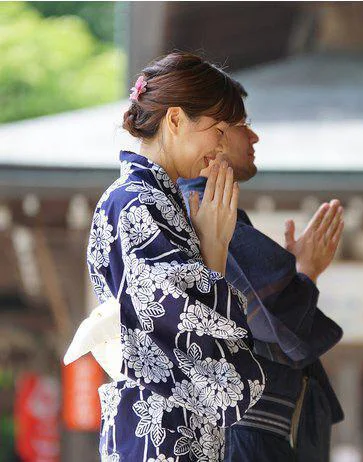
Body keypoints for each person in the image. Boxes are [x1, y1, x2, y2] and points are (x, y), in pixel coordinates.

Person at [84, 52, 266, 462]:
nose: (222, 146)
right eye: (218, 130)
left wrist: (210, 250)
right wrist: (214, 248)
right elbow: (177, 326)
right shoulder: (136, 202)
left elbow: (187, 314)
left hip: (170, 427)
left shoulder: (152, 200)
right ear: (176, 120)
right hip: (158, 431)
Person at [178, 91, 345, 461]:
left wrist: (296, 271)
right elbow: (276, 321)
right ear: (212, 137)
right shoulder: (204, 209)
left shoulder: (198, 207)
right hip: (250, 432)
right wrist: (306, 272)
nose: (254, 137)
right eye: (242, 126)